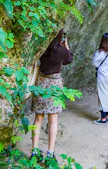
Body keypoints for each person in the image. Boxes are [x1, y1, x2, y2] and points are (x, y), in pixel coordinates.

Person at [30, 29, 73, 161]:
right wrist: (66, 46)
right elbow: (69, 59)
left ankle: (34, 150)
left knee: (38, 119)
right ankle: (50, 152)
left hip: (41, 83)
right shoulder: (62, 51)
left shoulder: (43, 48)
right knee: (53, 120)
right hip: (54, 85)